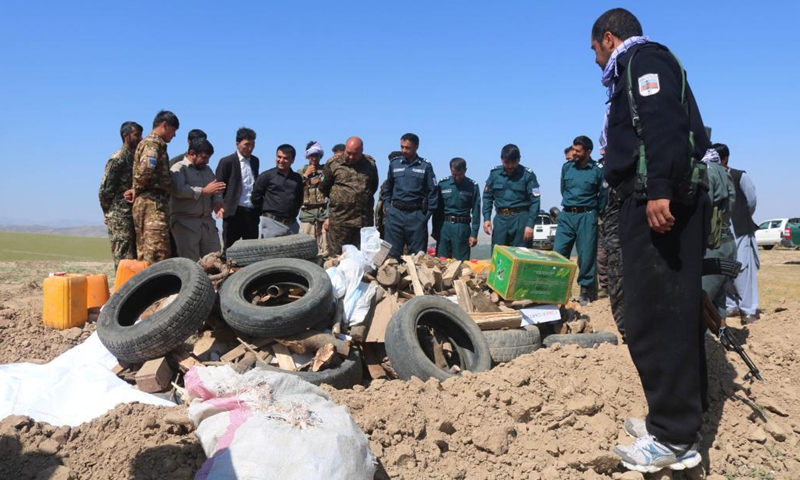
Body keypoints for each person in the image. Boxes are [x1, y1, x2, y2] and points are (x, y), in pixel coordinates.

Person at [591, 8, 711, 471]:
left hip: (656, 203)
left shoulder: (643, 61)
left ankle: (674, 437)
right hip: (648, 199)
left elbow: (662, 122)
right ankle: (676, 420)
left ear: (607, 39)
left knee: (654, 315)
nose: (596, 61)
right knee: (671, 313)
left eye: (595, 51)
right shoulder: (637, 67)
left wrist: (659, 187)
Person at [554, 136, 607, 305]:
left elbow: (603, 196)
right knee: (559, 253)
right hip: (567, 215)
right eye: (574, 149)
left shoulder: (598, 169)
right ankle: (558, 290)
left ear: (588, 151)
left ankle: (585, 291)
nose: (574, 153)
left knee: (586, 255)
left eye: (578, 150)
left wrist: (595, 213)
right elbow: (564, 190)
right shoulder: (567, 168)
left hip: (587, 215)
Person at [716, 143, 760, 324]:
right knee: (724, 267)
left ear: (725, 158)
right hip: (720, 232)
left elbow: (751, 201)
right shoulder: (711, 177)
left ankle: (749, 310)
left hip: (740, 230)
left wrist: (740, 217)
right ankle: (731, 306)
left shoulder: (740, 176)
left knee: (743, 269)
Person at [319, 136, 379, 255]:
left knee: (361, 259)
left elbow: (373, 187)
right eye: (348, 153)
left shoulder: (370, 165)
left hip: (362, 222)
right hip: (340, 222)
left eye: (355, 154)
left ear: (362, 151)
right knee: (336, 258)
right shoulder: (333, 164)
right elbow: (324, 187)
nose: (351, 157)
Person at [381, 134, 438, 259]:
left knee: (417, 258)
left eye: (407, 148)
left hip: (416, 216)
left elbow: (433, 192)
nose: (403, 151)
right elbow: (387, 188)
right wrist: (388, 208)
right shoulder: (394, 164)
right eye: (402, 147)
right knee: (391, 257)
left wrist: (426, 216)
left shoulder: (425, 166)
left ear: (416, 147)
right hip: (395, 215)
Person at [132, 110, 179, 264]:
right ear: (165, 125)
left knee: (148, 250)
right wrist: (137, 189)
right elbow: (146, 169)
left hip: (153, 202)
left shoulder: (156, 144)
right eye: (173, 130)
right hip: (152, 203)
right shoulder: (153, 143)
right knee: (156, 250)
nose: (174, 135)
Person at [169, 138, 226, 261]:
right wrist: (203, 191)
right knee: (190, 263)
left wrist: (217, 203)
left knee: (215, 261)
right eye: (204, 157)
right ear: (192, 153)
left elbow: (215, 190)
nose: (207, 161)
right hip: (186, 224)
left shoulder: (207, 170)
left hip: (207, 224)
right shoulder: (178, 169)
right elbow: (179, 190)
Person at [99, 121, 142, 270]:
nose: (140, 138)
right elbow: (105, 191)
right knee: (123, 259)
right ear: (126, 136)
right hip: (120, 217)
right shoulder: (118, 159)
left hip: (133, 214)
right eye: (137, 135)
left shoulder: (135, 158)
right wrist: (108, 213)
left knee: (134, 260)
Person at [482, 144, 541, 249]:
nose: (509, 166)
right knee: (499, 255)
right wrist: (487, 218)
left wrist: (530, 225)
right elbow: (487, 197)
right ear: (501, 160)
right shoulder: (495, 174)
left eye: (513, 162)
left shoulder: (528, 175)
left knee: (521, 255)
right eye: (506, 162)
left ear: (519, 159)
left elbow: (535, 201)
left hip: (520, 220)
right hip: (500, 221)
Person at [701, 148, 736, 319]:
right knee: (718, 301)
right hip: (726, 242)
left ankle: (708, 343)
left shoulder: (706, 171)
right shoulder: (722, 171)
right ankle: (718, 342)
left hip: (712, 245)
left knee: (702, 301)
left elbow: (703, 208)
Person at [216, 128, 260, 252]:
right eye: (247, 145)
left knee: (252, 250)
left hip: (251, 212)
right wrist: (220, 206)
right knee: (229, 250)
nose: (250, 148)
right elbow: (219, 187)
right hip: (233, 212)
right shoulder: (226, 162)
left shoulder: (255, 161)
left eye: (253, 145)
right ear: (238, 144)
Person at [432, 157, 481, 260]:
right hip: (444, 227)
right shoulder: (443, 184)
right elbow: (437, 210)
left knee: (461, 263)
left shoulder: (472, 186)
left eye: (460, 174)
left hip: (462, 228)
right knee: (441, 261)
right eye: (454, 174)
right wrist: (435, 229)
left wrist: (474, 234)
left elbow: (476, 212)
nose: (457, 177)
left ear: (465, 170)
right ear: (451, 170)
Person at [251, 144, 303, 238]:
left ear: (293, 160)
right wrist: (265, 213)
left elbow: (299, 199)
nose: (281, 161)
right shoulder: (266, 176)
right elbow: (255, 197)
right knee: (270, 252)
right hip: (272, 223)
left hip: (292, 225)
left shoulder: (297, 178)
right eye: (279, 157)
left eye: (286, 158)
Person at [298, 141, 329, 256]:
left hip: (323, 214)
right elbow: (294, 189)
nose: (314, 158)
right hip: (307, 214)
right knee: (306, 248)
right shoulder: (300, 172)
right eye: (312, 155)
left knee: (325, 249)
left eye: (317, 155)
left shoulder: (326, 171)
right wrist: (305, 175)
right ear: (307, 156)